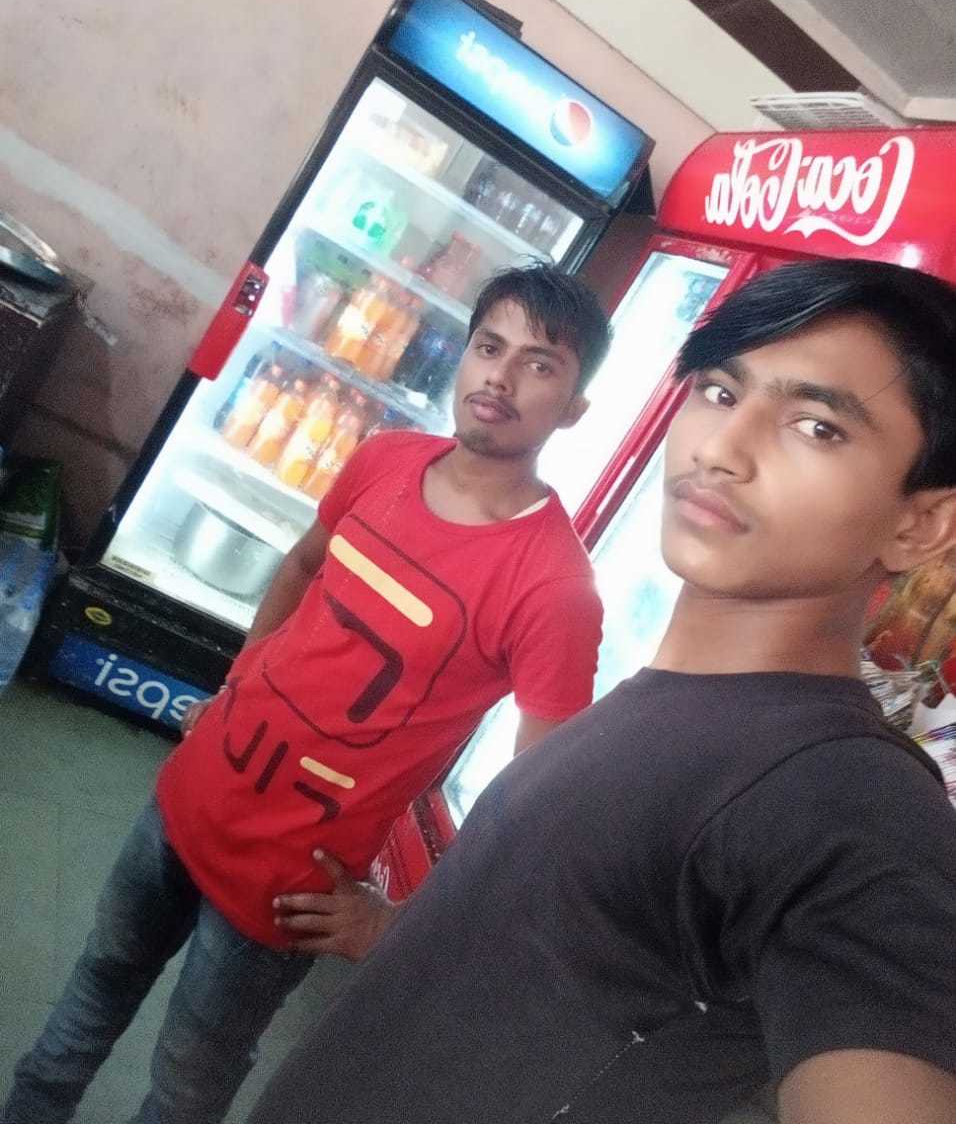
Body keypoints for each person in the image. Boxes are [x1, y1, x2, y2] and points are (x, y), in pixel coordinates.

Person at [246, 259, 956, 1124]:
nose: (720, 450)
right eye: (721, 392)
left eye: (817, 427)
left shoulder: (845, 797)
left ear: (921, 523)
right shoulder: (670, 699)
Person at [1, 264, 609, 1124]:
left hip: (290, 882)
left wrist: (400, 922)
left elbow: (541, 803)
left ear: (574, 407)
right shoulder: (385, 460)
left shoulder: (554, 588)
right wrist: (235, 685)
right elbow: (300, 565)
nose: (501, 378)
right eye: (489, 346)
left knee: (187, 1078)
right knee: (97, 982)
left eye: (539, 364)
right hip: (191, 796)